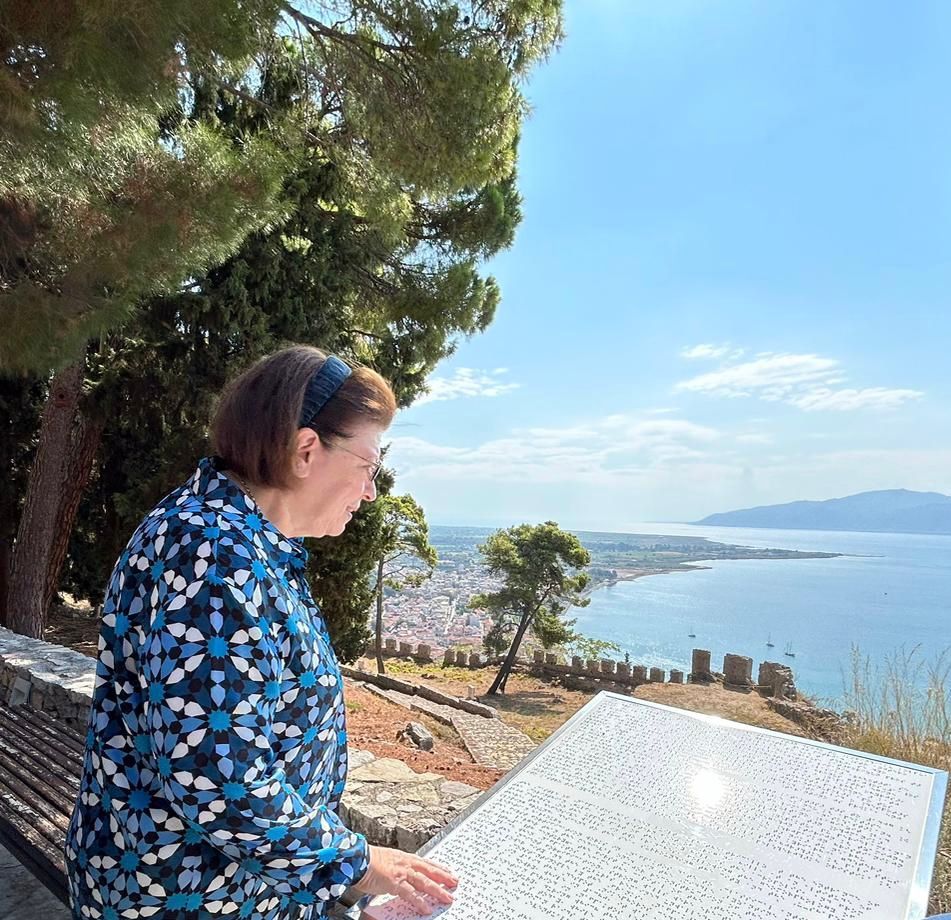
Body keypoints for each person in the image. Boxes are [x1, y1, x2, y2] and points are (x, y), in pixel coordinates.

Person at [66, 346, 458, 919]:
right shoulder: (215, 562)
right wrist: (355, 865)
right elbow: (218, 777)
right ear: (306, 450)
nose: (371, 490)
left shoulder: (226, 533)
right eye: (368, 467)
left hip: (216, 881)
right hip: (189, 896)